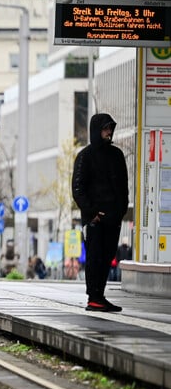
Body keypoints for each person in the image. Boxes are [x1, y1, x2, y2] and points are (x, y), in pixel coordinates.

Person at [72, 113, 128, 312]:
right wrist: (91, 213)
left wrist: (120, 210)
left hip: (113, 218)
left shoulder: (117, 155)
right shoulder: (85, 156)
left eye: (110, 128)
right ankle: (94, 297)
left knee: (106, 257)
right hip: (95, 219)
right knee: (95, 257)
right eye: (105, 128)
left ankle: (99, 295)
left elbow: (123, 187)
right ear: (97, 130)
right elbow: (78, 189)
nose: (109, 132)